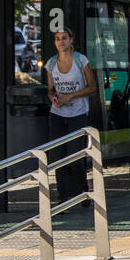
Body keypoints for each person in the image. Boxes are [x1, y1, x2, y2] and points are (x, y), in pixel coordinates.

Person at [44, 28, 97, 205]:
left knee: (74, 155)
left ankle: (82, 191)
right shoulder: (51, 63)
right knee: (58, 156)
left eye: (64, 38)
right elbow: (51, 89)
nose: (61, 42)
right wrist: (54, 97)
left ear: (71, 39)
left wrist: (71, 96)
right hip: (57, 113)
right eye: (58, 39)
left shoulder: (81, 60)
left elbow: (92, 87)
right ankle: (62, 198)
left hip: (78, 112)